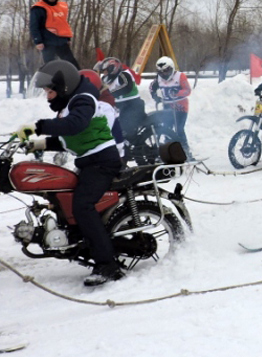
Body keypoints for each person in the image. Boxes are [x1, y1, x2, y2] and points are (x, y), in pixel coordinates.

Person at [16, 60, 124, 286]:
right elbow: (69, 137)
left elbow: (76, 125)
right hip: (89, 161)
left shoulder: (83, 100)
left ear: (63, 86)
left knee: (82, 206)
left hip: (102, 162)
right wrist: (37, 144)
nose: (47, 97)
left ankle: (108, 266)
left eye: (49, 91)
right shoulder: (71, 102)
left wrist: (39, 127)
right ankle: (80, 242)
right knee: (62, 198)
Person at [149, 56, 192, 156]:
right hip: (167, 106)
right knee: (166, 129)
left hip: (180, 106)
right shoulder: (158, 78)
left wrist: (177, 92)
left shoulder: (180, 76)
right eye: (161, 72)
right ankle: (168, 151)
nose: (164, 74)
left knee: (179, 129)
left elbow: (188, 90)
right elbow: (151, 88)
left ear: (172, 68)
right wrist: (155, 97)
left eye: (166, 71)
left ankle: (186, 151)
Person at [29, 0, 80, 67]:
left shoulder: (61, 7)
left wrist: (67, 38)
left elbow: (63, 24)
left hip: (62, 41)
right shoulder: (38, 8)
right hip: (47, 42)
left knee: (71, 62)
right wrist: (38, 41)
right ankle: (50, 78)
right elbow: (34, 26)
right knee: (50, 65)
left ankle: (79, 77)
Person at [98, 57, 146, 139]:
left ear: (112, 68)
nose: (104, 73)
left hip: (133, 105)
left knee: (125, 129)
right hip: (118, 107)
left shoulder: (124, 75)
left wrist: (110, 93)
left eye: (106, 70)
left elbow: (127, 86)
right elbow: (100, 89)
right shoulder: (105, 79)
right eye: (103, 71)